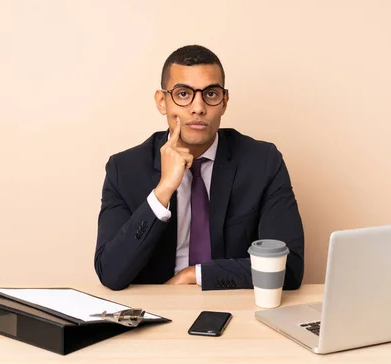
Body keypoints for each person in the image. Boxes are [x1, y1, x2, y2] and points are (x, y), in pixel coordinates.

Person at [94, 44, 304, 291]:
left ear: (224, 102)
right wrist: (163, 190)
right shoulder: (124, 169)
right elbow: (110, 273)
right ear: (162, 102)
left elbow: (287, 268)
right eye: (183, 94)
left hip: (235, 311)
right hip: (157, 315)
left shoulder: (262, 162)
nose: (198, 107)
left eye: (211, 94)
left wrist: (196, 274)